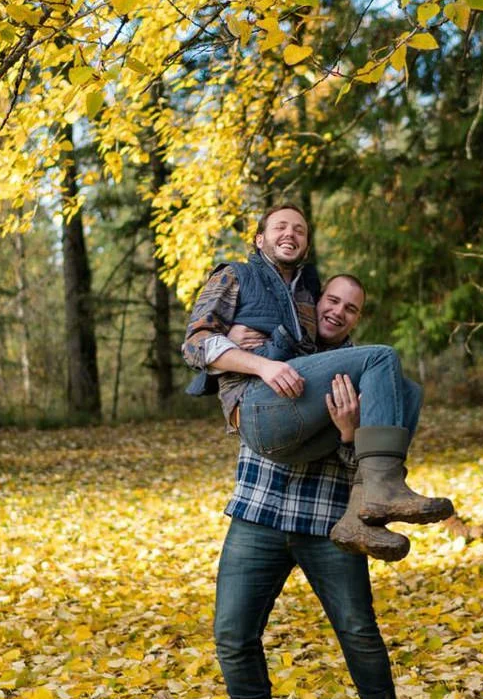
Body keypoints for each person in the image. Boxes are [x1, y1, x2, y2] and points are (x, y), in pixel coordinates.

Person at [214, 275, 435, 699]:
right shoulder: (277, 347)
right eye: (332, 300)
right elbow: (238, 403)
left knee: (359, 630)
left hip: (328, 521)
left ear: (359, 318)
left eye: (351, 308)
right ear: (316, 303)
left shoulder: (373, 375)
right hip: (259, 512)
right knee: (232, 633)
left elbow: (372, 478)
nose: (338, 311)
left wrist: (350, 433)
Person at [182, 203, 453, 531]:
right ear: (258, 239)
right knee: (382, 356)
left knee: (407, 390)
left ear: (306, 246)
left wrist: (350, 430)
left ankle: (360, 518)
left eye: (299, 230)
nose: (290, 234)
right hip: (256, 407)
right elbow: (194, 344)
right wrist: (259, 363)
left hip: (297, 422)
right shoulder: (236, 275)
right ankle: (385, 488)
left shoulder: (307, 297)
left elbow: (318, 356)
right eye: (280, 226)